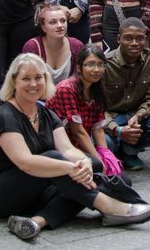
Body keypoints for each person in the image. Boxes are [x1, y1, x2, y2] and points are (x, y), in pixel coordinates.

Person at [0, 53, 150, 241]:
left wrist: (83, 163)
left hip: (36, 187)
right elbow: (25, 162)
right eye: (26, 79)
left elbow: (68, 149)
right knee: (60, 162)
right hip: (0, 193)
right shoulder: (5, 116)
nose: (33, 84)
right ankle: (109, 207)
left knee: (94, 166)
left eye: (39, 78)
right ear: (13, 82)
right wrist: (70, 168)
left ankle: (38, 221)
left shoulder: (44, 112)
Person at [102, 18, 150, 171]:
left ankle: (129, 151)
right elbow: (96, 108)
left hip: (137, 116)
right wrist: (117, 129)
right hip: (112, 117)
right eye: (128, 38)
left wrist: (138, 116)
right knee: (106, 142)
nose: (134, 42)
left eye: (140, 38)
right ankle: (116, 149)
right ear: (119, 39)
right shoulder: (106, 64)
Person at [45, 45, 123, 175]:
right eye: (90, 64)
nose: (97, 70)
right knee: (98, 168)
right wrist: (99, 162)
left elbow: (98, 129)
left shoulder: (96, 88)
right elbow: (78, 131)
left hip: (80, 144)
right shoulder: (67, 89)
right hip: (61, 147)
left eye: (101, 65)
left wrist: (106, 157)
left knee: (119, 176)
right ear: (79, 67)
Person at [23, 4, 84, 84]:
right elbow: (27, 82)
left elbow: (81, 81)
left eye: (63, 21)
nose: (60, 25)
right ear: (43, 27)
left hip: (68, 95)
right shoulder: (32, 47)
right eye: (53, 22)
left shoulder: (77, 46)